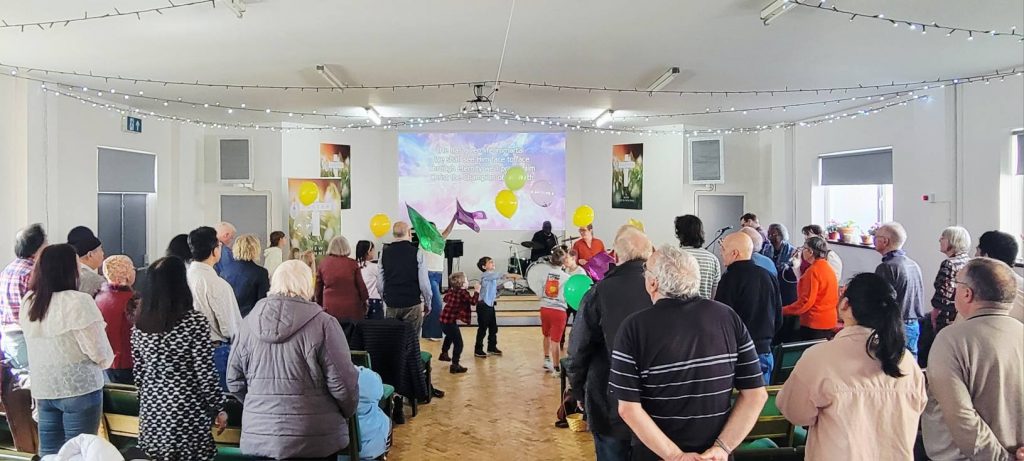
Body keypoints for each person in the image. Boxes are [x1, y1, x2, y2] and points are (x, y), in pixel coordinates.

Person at [609, 244, 768, 461]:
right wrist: (722, 448)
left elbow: (628, 409)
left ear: (653, 283)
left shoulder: (634, 328)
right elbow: (756, 395)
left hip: (657, 456)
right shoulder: (728, 317)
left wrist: (676, 456)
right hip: (715, 458)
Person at [777, 272, 927, 461]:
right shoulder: (906, 360)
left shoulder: (820, 357)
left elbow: (794, 413)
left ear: (845, 304)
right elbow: (918, 407)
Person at [228, 260, 359, 459]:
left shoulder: (247, 325)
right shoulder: (324, 325)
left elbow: (234, 380)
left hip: (261, 436)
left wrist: (260, 406)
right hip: (314, 437)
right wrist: (346, 412)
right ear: (307, 286)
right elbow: (344, 385)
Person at [922, 258, 1023, 460]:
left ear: (967, 293)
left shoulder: (952, 339)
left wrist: (1003, 458)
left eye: (957, 284)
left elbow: (962, 417)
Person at [566, 225, 653, 461]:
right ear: (649, 254)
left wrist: (577, 390)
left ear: (615, 255)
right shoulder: (661, 290)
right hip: (655, 402)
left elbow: (578, 348)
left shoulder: (599, 292)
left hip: (608, 399)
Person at [20, 244, 113, 456]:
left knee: (49, 453)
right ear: (69, 270)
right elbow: (99, 352)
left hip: (44, 387)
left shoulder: (30, 302)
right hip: (79, 388)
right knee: (78, 454)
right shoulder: (78, 301)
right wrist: (105, 362)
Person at [132, 257, 227, 461]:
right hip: (187, 407)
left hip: (152, 407)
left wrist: (149, 399)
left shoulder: (140, 325)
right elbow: (205, 372)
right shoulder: (194, 322)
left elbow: (139, 374)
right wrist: (218, 407)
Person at [715, 232, 783, 383]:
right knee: (761, 396)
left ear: (735, 253)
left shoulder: (729, 280)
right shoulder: (768, 276)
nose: (721, 253)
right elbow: (778, 318)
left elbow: (721, 321)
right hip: (764, 352)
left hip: (739, 355)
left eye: (723, 249)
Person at [186, 226, 242, 391]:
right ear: (214, 251)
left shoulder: (184, 277)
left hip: (187, 349)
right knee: (222, 401)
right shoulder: (217, 284)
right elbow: (229, 327)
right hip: (215, 351)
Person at [873, 222, 926, 358]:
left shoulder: (887, 267)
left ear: (885, 241)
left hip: (895, 326)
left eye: (876, 236)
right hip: (913, 325)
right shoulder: (913, 264)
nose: (874, 239)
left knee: (892, 365)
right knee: (909, 365)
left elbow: (880, 301)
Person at [0, 223, 47, 375]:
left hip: (8, 340)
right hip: (27, 341)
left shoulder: (7, 270)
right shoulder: (33, 273)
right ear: (38, 248)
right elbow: (41, 312)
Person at [783, 236, 839, 340]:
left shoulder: (813, 271)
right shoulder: (828, 268)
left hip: (815, 323)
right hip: (829, 321)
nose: (801, 252)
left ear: (810, 252)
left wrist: (782, 310)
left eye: (804, 248)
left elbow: (805, 302)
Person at [381, 222, 432, 334]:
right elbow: (424, 283)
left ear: (393, 234)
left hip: (392, 302)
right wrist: (428, 302)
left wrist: (384, 298)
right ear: (409, 233)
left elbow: (380, 282)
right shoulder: (417, 253)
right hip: (412, 302)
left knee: (393, 340)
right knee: (412, 339)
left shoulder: (384, 253)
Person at [94, 255, 137, 384]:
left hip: (106, 361)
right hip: (127, 361)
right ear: (127, 274)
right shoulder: (131, 300)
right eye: (132, 269)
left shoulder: (98, 297)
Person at [315, 236, 369, 322]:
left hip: (330, 308)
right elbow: (361, 287)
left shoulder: (323, 264)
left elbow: (318, 289)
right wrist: (365, 302)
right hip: (352, 309)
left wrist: (319, 304)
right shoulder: (353, 264)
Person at [474, 256, 519, 358]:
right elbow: (498, 275)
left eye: (492, 261)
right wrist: (511, 275)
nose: (493, 263)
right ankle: (478, 349)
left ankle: (491, 347)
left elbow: (495, 292)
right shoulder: (486, 275)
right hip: (483, 306)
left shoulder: (492, 278)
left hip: (490, 305)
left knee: (493, 328)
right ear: (484, 267)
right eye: (490, 262)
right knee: (482, 329)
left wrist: (503, 287)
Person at [975, 230, 1023, 322]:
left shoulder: (979, 289)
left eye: (977, 251)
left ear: (986, 257)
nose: (975, 256)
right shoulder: (1021, 284)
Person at [931, 227, 972, 333]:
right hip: (963, 314)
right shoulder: (969, 261)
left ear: (953, 241)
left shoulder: (949, 264)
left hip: (947, 316)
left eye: (943, 238)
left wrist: (935, 313)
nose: (939, 240)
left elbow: (943, 294)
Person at [221, 234, 270, 318]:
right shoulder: (261, 273)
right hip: (251, 319)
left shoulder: (224, 272)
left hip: (230, 318)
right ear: (256, 249)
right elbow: (262, 302)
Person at [673, 214, 721, 299]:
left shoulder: (673, 257)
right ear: (700, 232)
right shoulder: (713, 259)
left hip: (679, 307)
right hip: (705, 306)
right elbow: (714, 294)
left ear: (679, 233)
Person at [421, 219, 454, 342]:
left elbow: (448, 231)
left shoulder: (439, 240)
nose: (433, 230)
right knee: (437, 304)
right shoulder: (424, 241)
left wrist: (454, 219)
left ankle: (427, 331)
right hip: (429, 274)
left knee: (430, 304)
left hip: (437, 275)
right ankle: (433, 332)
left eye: (434, 228)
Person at [438, 272, 477, 373]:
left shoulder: (452, 290)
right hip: (449, 321)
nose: (468, 281)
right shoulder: (463, 293)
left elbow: (445, 299)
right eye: (466, 280)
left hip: (443, 319)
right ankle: (455, 365)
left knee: (450, 336)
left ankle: (444, 353)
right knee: (459, 344)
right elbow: (473, 302)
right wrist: (477, 291)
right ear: (462, 283)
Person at [540, 248, 570, 374]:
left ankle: (547, 359)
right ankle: (557, 368)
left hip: (545, 308)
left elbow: (540, 289)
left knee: (546, 334)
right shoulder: (567, 277)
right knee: (556, 340)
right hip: (558, 310)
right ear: (563, 262)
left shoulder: (544, 274)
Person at [66, 226, 105, 297]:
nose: (103, 253)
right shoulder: (97, 282)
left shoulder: (65, 275)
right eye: (101, 249)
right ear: (90, 254)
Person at [767, 223, 799, 305]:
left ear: (782, 235)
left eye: (774, 234)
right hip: (769, 283)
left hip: (785, 286)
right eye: (769, 234)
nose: (770, 237)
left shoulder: (792, 251)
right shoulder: (765, 249)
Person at [356, 240, 385, 320]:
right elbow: (383, 279)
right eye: (373, 250)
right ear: (368, 252)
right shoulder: (374, 267)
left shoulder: (355, 266)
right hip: (374, 302)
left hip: (359, 302)